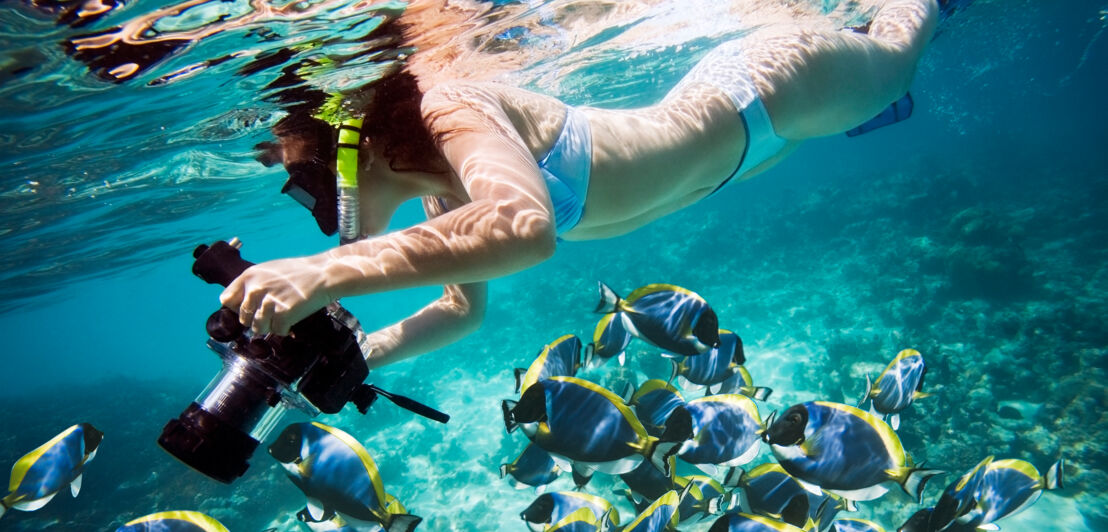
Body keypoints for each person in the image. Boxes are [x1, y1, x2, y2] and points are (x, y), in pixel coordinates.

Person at [221, 0, 965, 369]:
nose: (315, 211)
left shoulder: (452, 104)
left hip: (768, 92)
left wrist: (323, 272)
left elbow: (525, 226)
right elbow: (459, 311)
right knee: (861, 100)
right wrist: (360, 356)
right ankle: (868, 95)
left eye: (304, 182)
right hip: (744, 158)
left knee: (901, 50)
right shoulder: (443, 197)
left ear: (355, 145)